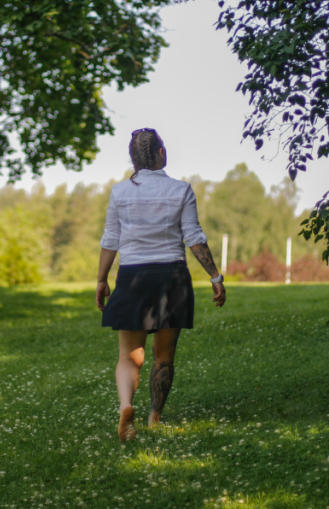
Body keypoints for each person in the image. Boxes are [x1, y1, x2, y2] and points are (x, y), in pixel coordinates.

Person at [95, 128, 226, 442]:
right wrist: (215, 276)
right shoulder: (180, 190)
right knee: (163, 356)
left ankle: (127, 406)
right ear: (162, 154)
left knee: (129, 356)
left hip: (132, 277)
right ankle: (154, 417)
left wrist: (102, 279)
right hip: (172, 278)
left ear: (133, 158)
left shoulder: (119, 192)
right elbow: (193, 238)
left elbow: (110, 240)